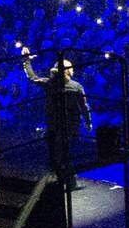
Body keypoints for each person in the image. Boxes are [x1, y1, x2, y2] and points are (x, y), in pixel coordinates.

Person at [19, 48, 90, 178]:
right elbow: (84, 106)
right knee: (66, 150)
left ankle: (55, 175)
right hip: (70, 123)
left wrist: (26, 60)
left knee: (54, 150)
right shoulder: (76, 86)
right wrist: (88, 122)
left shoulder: (49, 83)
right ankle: (67, 177)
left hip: (53, 121)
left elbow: (32, 77)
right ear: (68, 71)